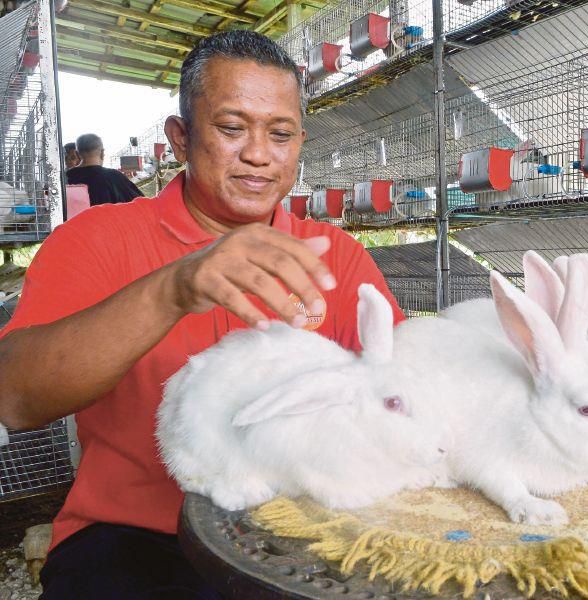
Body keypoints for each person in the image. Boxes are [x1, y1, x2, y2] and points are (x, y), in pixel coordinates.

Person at [0, 30, 403, 598]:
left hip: (301, 530)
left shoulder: (337, 256)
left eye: (280, 134)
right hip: (134, 535)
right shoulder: (98, 239)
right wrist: (174, 289)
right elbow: (14, 398)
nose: (259, 153)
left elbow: (403, 391)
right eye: (232, 128)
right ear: (181, 136)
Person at [65, 133, 143, 205]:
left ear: (77, 154)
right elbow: (141, 204)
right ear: (102, 153)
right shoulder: (114, 177)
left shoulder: (66, 180)